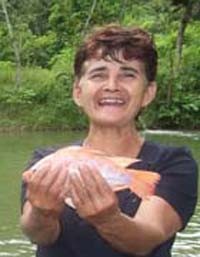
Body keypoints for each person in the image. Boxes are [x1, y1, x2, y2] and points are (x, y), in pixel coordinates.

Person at [20, 24, 198, 257]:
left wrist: (108, 219)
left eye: (128, 75)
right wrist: (43, 214)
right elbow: (38, 234)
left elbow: (146, 239)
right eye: (98, 75)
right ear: (77, 92)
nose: (112, 86)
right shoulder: (46, 160)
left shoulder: (175, 163)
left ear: (148, 93)